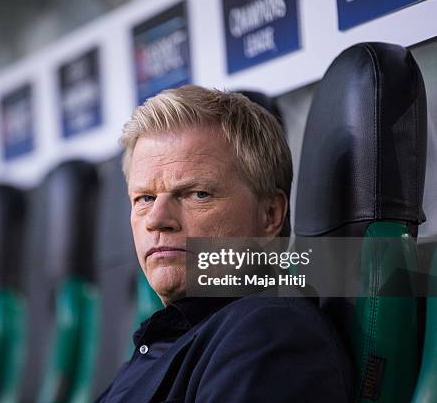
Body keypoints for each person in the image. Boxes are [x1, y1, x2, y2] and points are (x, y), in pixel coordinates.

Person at [96, 85, 352, 402]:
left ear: (270, 215)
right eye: (144, 198)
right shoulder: (169, 337)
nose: (157, 219)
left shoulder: (268, 332)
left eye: (196, 194)